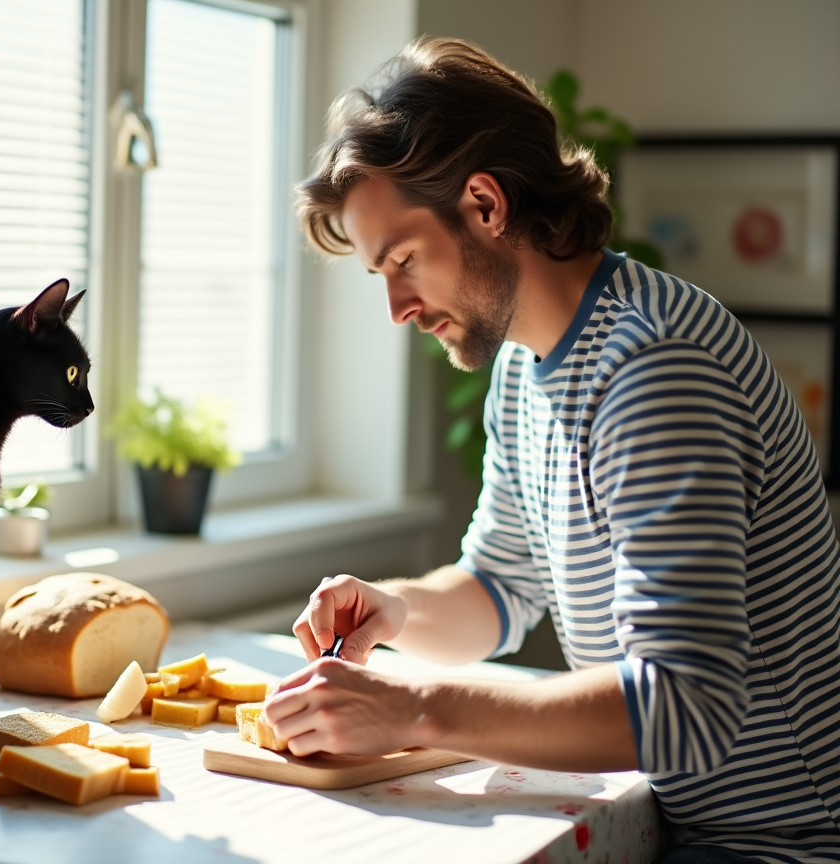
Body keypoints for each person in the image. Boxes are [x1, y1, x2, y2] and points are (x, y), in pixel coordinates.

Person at [263, 36, 840, 864]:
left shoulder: (653, 367)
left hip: (784, 844)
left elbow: (686, 705)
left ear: (486, 206)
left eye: (404, 261)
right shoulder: (524, 368)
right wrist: (394, 610)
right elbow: (501, 587)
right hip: (679, 823)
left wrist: (416, 706)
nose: (396, 307)